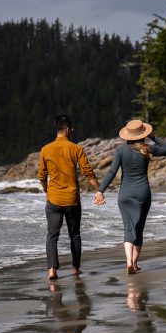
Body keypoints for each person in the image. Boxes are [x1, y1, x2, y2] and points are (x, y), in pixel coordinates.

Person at [96, 119, 166, 273]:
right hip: (142, 193)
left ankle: (128, 261)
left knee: (128, 228)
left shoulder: (120, 150)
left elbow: (112, 172)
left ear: (127, 136)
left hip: (125, 194)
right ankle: (135, 263)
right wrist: (153, 137)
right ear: (143, 135)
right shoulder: (148, 149)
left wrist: (101, 191)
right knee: (139, 228)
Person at [39, 114, 102, 280]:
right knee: (74, 234)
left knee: (52, 235)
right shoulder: (76, 149)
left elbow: (42, 175)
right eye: (71, 129)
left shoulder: (45, 149)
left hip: (53, 199)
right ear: (67, 129)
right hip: (72, 199)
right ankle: (75, 268)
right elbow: (88, 171)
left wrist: (47, 189)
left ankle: (52, 270)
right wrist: (99, 189)